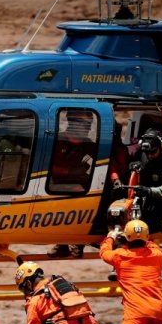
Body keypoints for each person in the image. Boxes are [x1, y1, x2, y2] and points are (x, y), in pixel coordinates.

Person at [119, 128, 162, 280]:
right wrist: (133, 166)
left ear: (161, 147)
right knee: (128, 222)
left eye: (153, 152)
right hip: (146, 199)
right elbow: (131, 167)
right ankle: (122, 263)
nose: (150, 156)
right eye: (147, 153)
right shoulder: (142, 154)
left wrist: (149, 191)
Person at [47, 110, 98, 258]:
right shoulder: (57, 141)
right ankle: (65, 243)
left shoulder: (89, 146)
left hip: (79, 186)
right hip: (54, 185)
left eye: (89, 125)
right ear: (73, 123)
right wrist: (71, 172)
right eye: (85, 124)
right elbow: (48, 167)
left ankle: (73, 242)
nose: (88, 128)